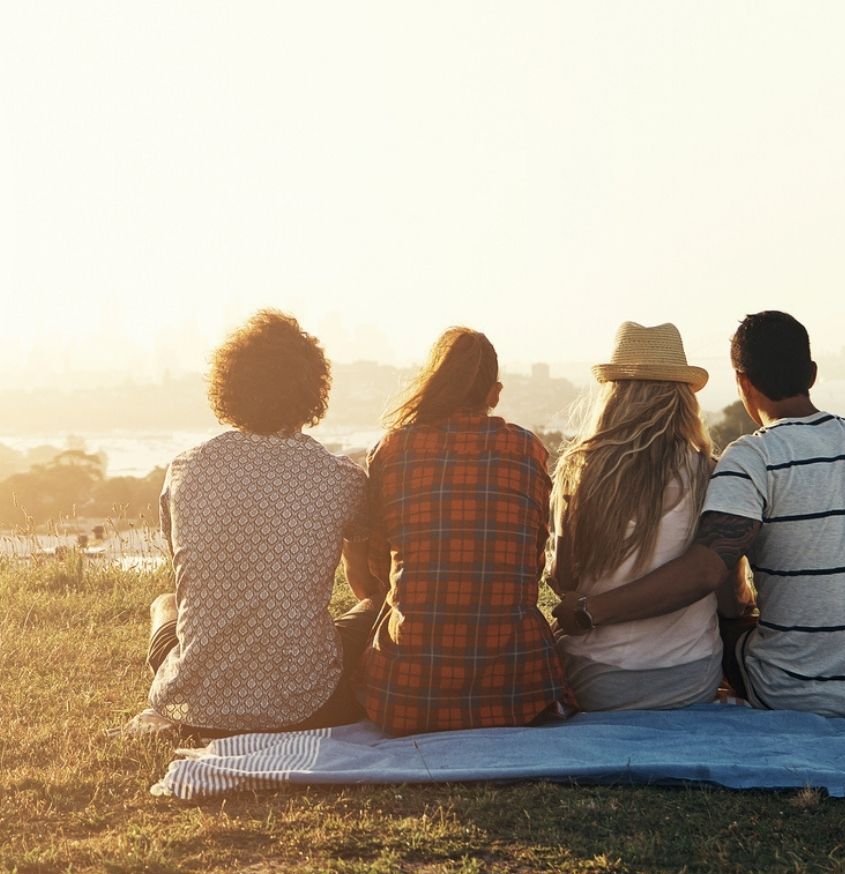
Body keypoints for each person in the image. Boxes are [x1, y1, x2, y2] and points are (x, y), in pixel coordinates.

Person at [552, 311, 845, 717]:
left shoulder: (751, 457)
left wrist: (590, 610)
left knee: (734, 628)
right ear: (812, 374)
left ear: (742, 382)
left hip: (787, 690)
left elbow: (706, 571)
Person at [145, 310, 378, 735]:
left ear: (229, 387)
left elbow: (186, 579)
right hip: (305, 705)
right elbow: (365, 586)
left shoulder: (185, 471)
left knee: (164, 603)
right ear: (312, 391)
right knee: (375, 608)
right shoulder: (340, 478)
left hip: (196, 706)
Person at [355, 327, 575, 735]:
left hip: (408, 696)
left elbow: (377, 565)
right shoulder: (527, 450)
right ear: (495, 393)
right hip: (520, 688)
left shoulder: (392, 450)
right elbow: (532, 558)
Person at [548, 322, 722, 711]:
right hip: (691, 678)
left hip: (597, 679)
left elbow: (563, 579)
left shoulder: (577, 469)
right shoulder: (708, 471)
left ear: (614, 395)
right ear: (682, 398)